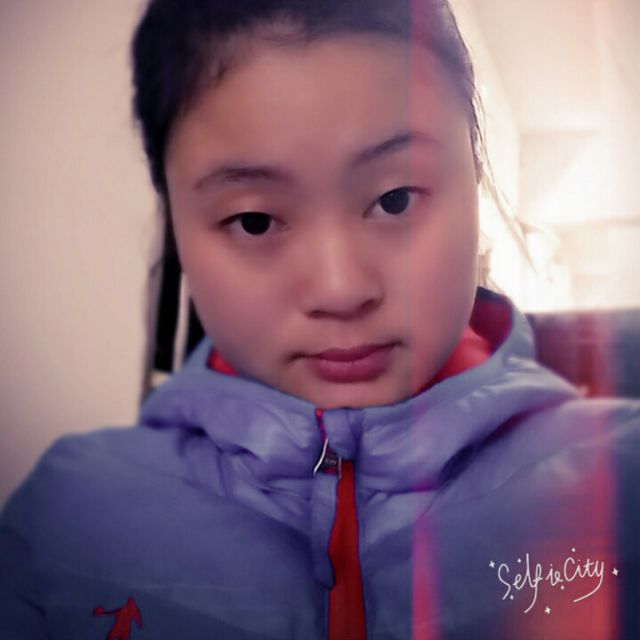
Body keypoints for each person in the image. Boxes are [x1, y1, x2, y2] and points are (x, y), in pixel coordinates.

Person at [1, 1, 639, 638]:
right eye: (255, 221)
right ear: (179, 228)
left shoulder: (622, 482)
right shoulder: (66, 517)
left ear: (473, 173)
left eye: (395, 199)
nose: (341, 290)